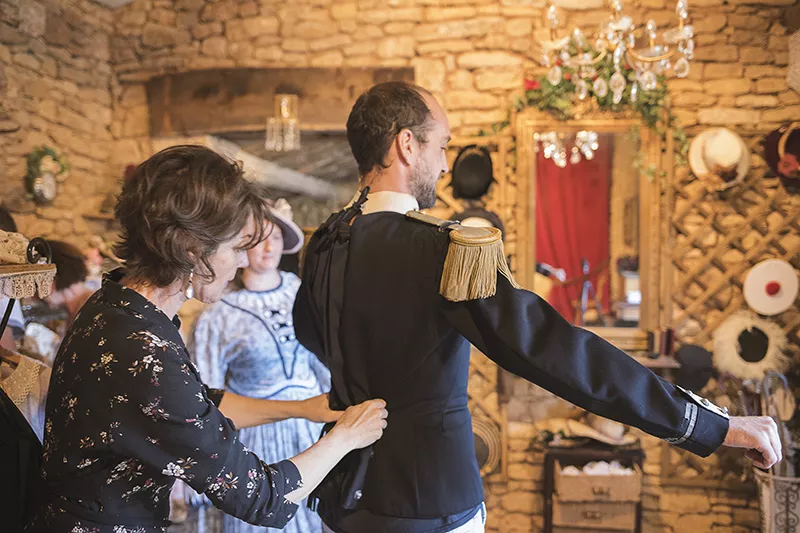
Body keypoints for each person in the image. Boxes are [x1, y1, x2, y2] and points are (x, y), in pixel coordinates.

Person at [293, 81, 782, 533]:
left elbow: (311, 334)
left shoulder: (323, 244)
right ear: (406, 145)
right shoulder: (437, 248)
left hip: (343, 499)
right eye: (441, 146)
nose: (444, 166)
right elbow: (553, 351)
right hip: (432, 504)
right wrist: (706, 424)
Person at [28, 145, 388, 533]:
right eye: (236, 247)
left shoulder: (117, 306)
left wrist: (302, 408)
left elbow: (199, 404)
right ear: (192, 249)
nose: (243, 261)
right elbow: (260, 496)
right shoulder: (142, 348)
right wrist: (346, 437)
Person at [185, 198, 331, 533]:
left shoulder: (303, 292)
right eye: (258, 239)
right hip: (259, 435)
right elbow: (206, 392)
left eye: (276, 238)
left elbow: (322, 360)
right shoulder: (219, 313)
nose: (268, 248)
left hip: (312, 427)